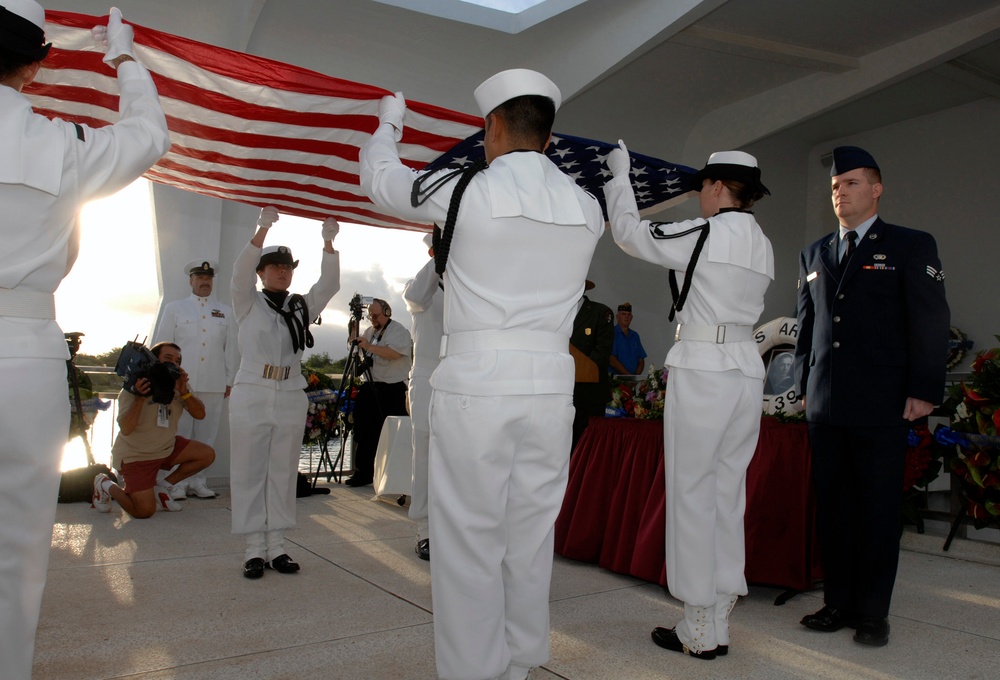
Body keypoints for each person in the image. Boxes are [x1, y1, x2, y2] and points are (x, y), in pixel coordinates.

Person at [361, 68, 604, 680]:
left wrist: (390, 122)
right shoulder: (586, 205)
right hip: (552, 387)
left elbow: (380, 181)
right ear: (548, 138)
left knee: (468, 543)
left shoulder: (466, 191)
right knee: (528, 536)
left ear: (492, 127)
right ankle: (520, 664)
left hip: (478, 386)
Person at [0, 4, 170, 677]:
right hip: (24, 351)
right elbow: (148, 134)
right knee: (17, 548)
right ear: (39, 63)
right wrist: (124, 57)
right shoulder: (64, 144)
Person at [605, 145, 774, 660]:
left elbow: (630, 235)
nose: (700, 194)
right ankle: (717, 618)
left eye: (703, 186)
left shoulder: (704, 232)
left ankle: (697, 625)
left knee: (692, 494)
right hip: (746, 368)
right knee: (727, 495)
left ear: (719, 187)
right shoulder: (762, 242)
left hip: (704, 366)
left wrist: (619, 179)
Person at [794, 146, 949, 647]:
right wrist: (802, 384)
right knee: (834, 508)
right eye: (836, 186)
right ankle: (837, 602)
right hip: (826, 403)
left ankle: (873, 611)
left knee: (878, 509)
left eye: (853, 183)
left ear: (877, 189)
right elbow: (808, 328)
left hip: (883, 402)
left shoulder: (910, 245)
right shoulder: (814, 252)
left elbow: (930, 319)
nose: (841, 192)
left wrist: (924, 390)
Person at [229, 207, 341, 579]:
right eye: (274, 266)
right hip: (252, 389)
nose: (282, 271)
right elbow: (238, 273)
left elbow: (329, 286)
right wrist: (261, 229)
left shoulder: (300, 307)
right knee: (250, 470)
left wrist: (328, 243)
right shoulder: (246, 301)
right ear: (261, 273)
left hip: (291, 390)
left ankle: (277, 546)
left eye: (288, 266)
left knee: (281, 469)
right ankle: (252, 549)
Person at [93, 342, 216, 517]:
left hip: (166, 448)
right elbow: (126, 429)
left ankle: (163, 487)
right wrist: (139, 398)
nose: (173, 363)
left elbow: (200, 414)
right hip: (136, 456)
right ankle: (104, 483)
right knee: (143, 511)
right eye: (168, 358)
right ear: (154, 359)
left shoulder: (177, 386)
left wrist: (184, 393)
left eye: (177, 360)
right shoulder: (134, 387)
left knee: (206, 454)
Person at [153, 259, 239, 499]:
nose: (204, 282)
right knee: (180, 434)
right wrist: (165, 379)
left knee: (206, 435)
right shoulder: (175, 308)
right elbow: (162, 346)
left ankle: (198, 482)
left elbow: (231, 348)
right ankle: (176, 484)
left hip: (213, 382)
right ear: (191, 281)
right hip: (181, 384)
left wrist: (229, 379)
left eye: (208, 278)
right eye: (200, 278)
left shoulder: (226, 312)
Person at [343, 297, 412, 488]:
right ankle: (363, 473)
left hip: (392, 388)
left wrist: (369, 346)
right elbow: (360, 353)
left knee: (392, 433)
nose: (372, 318)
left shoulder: (398, 331)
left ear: (387, 312)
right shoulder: (368, 332)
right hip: (370, 386)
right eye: (370, 315)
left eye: (376, 315)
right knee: (364, 430)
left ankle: (393, 476)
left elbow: (395, 354)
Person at [401, 234, 441, 560]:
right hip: (428, 378)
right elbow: (415, 296)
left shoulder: (466, 286)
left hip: (462, 379)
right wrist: (439, 260)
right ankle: (424, 530)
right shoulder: (420, 287)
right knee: (425, 455)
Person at [570, 280, 614, 451]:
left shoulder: (601, 312)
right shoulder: (557, 314)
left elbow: (602, 351)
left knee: (585, 446)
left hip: (588, 393)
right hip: (562, 389)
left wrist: (581, 371)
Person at [609, 302, 646, 376]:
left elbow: (641, 360)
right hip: (616, 382)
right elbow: (611, 359)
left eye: (629, 315)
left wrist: (634, 378)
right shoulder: (611, 333)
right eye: (623, 314)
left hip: (632, 382)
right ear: (617, 317)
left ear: (632, 317)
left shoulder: (635, 336)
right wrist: (629, 377)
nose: (626, 317)